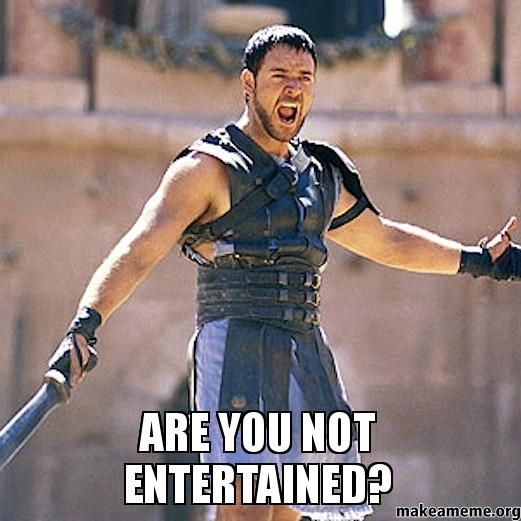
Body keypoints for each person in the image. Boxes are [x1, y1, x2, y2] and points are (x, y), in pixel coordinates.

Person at [47, 25, 520, 521]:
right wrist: (86, 323)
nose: (294, 88)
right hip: (236, 346)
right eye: (280, 76)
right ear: (248, 83)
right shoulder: (206, 169)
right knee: (246, 509)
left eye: (304, 78)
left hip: (304, 349)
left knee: (294, 509)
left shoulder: (319, 175)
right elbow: (138, 250)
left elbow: (387, 240)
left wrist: (479, 259)